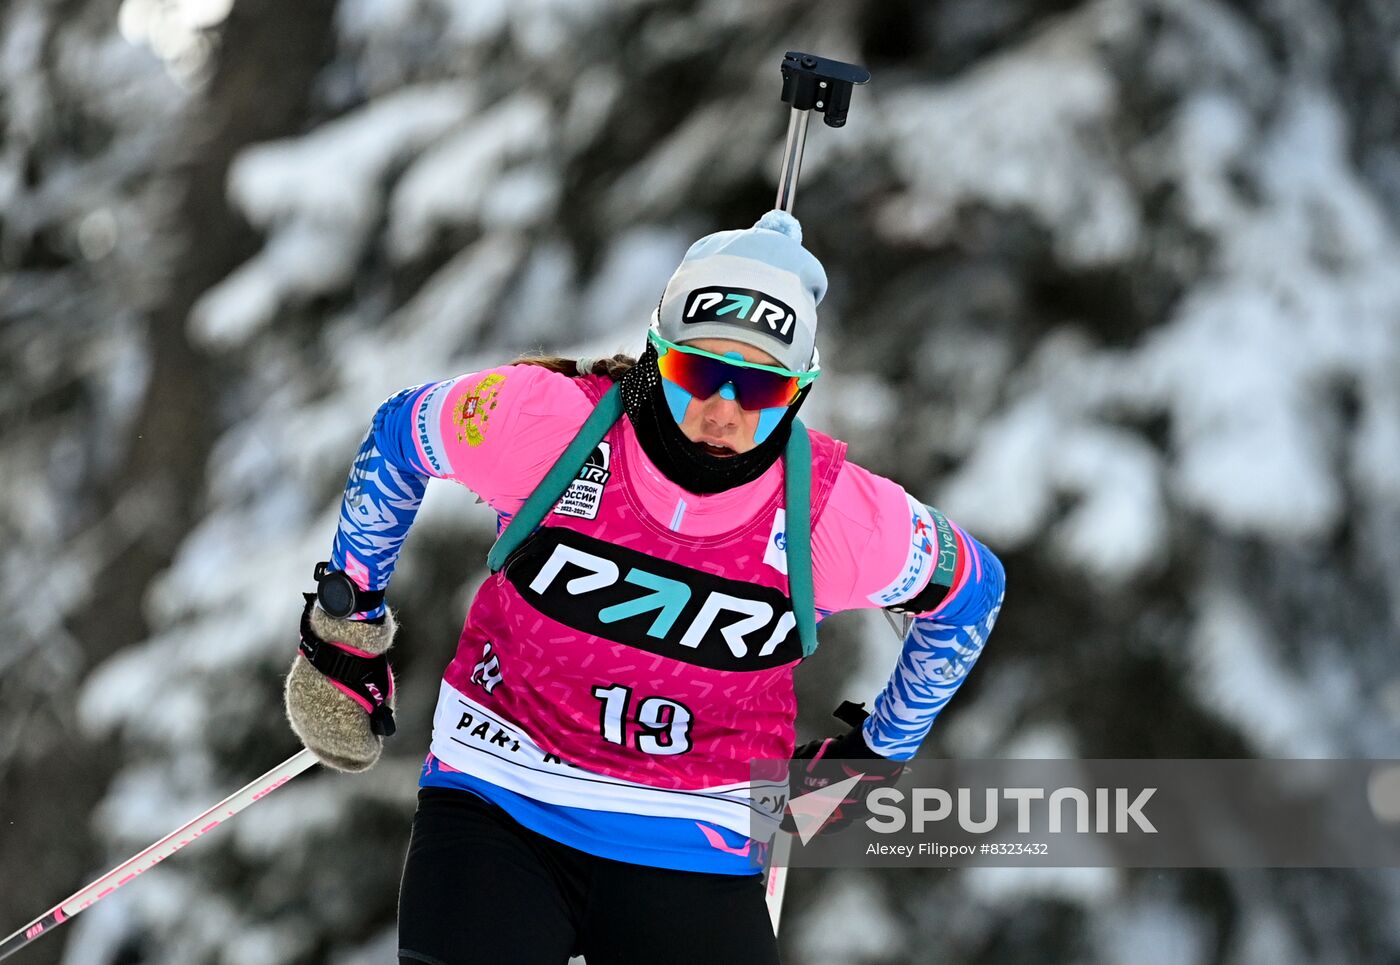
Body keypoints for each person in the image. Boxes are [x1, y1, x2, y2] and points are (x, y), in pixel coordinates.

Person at [284, 209, 1006, 964]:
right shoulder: (545, 426)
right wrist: (345, 621)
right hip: (501, 790)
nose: (723, 409)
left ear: (798, 391)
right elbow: (402, 435)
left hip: (697, 834)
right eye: (698, 371)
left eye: (759, 385)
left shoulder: (835, 516)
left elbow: (972, 591)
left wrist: (876, 753)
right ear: (658, 355)